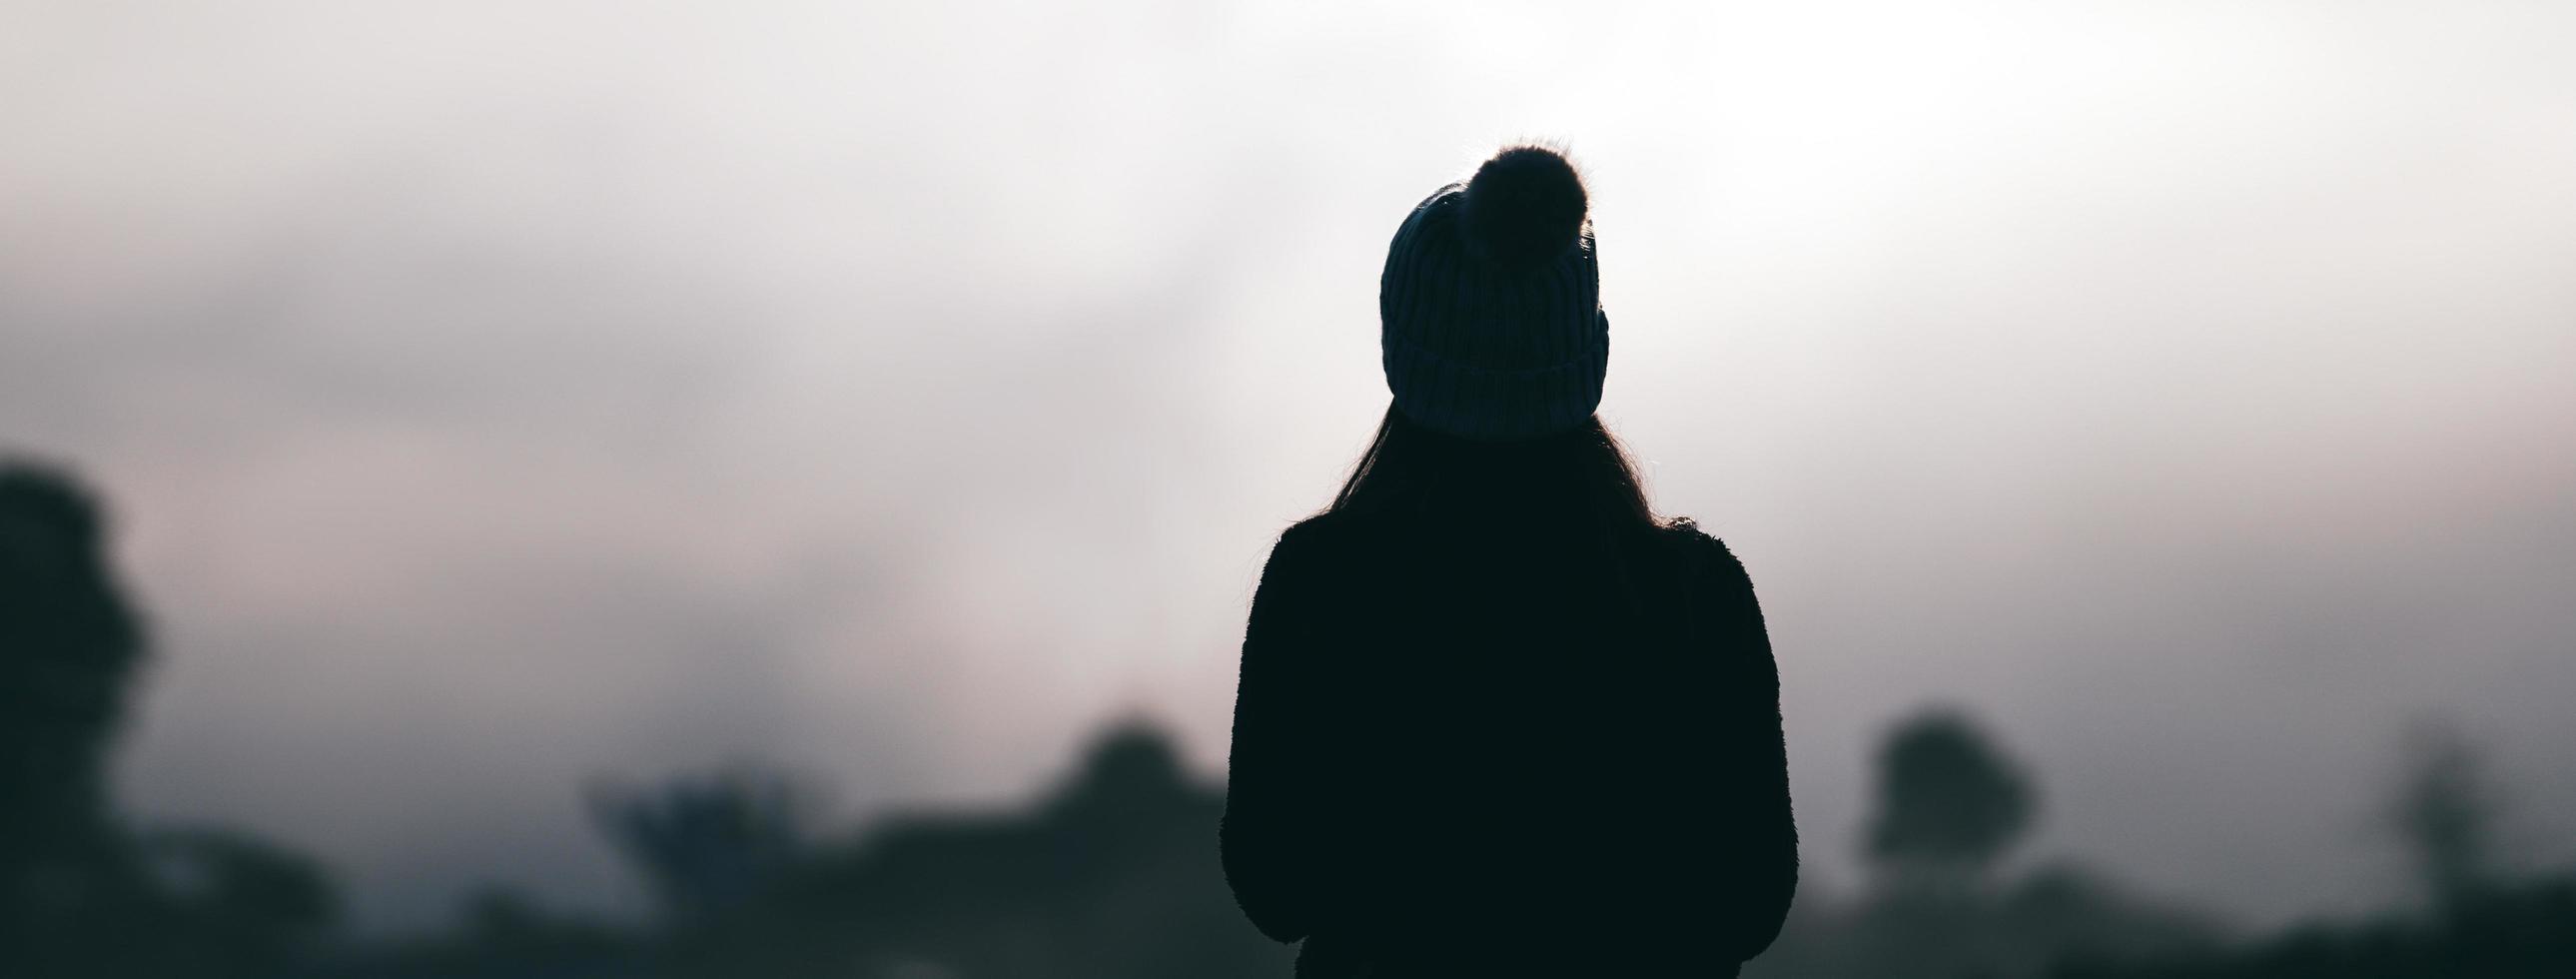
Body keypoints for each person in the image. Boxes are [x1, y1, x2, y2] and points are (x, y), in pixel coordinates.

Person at [1220, 146, 1797, 978]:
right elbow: (1749, 901)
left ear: (1400, 350)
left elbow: (1275, 890)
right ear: (1589, 354)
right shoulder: (1693, 595)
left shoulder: (1320, 584)